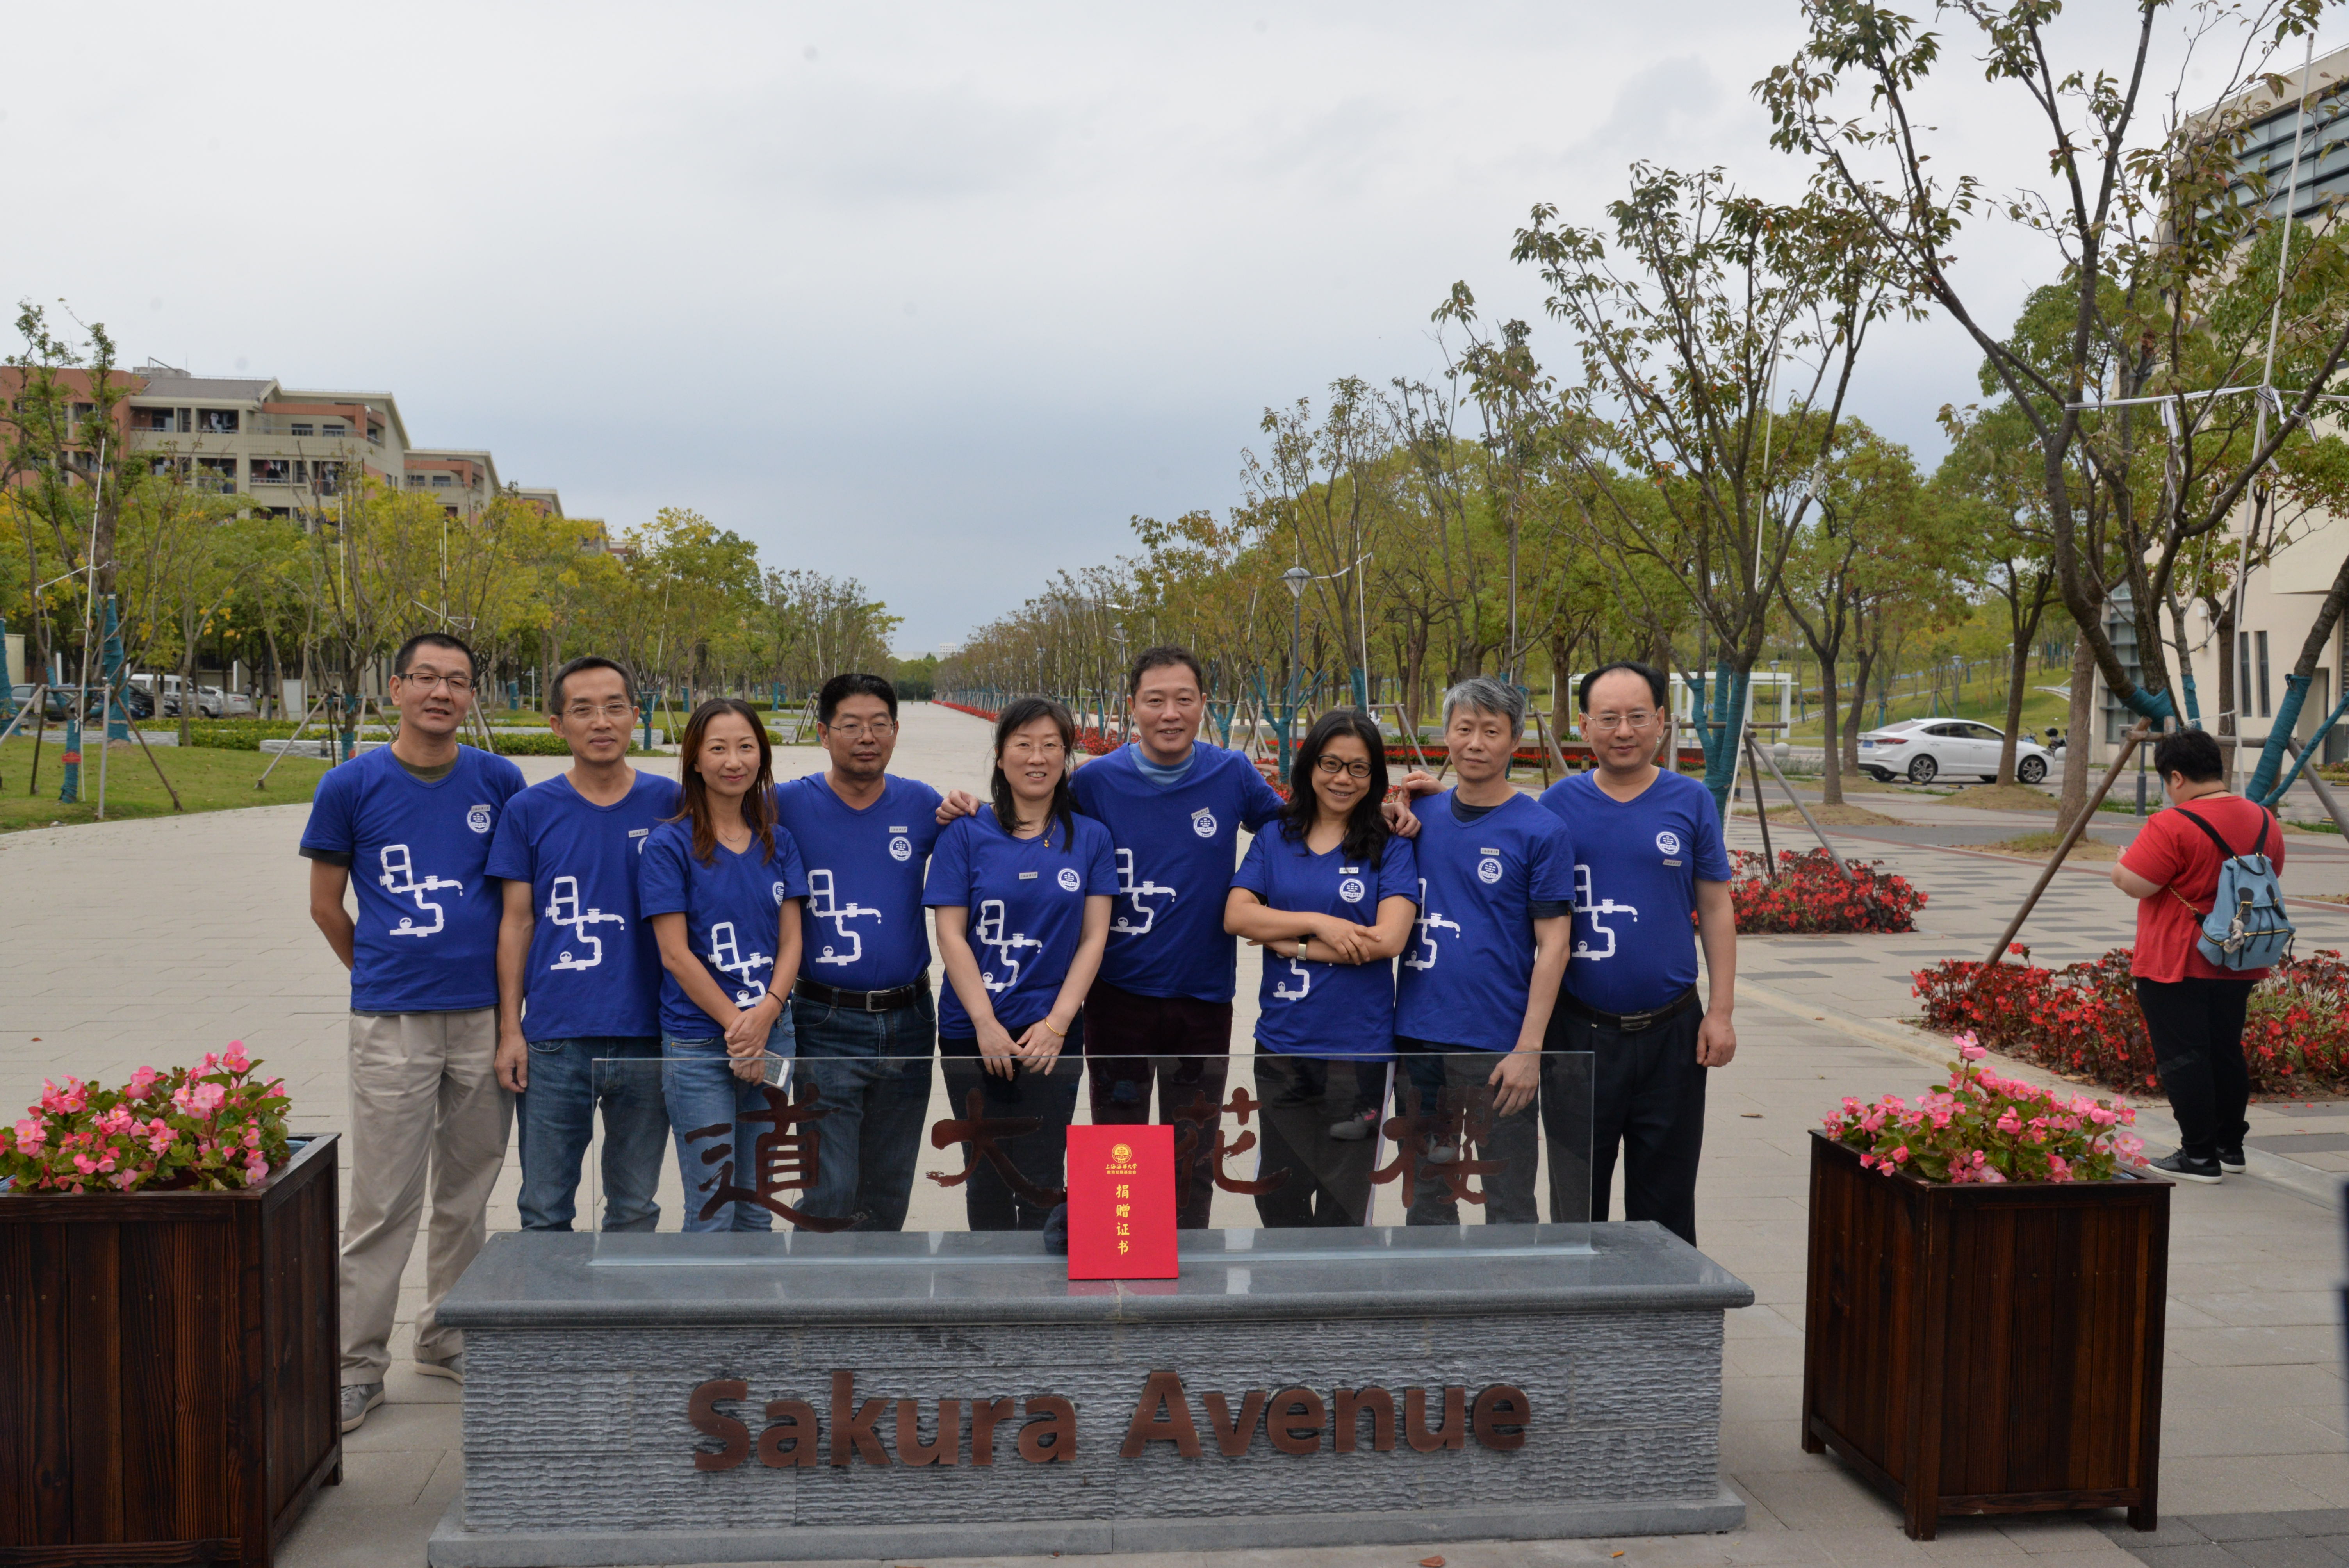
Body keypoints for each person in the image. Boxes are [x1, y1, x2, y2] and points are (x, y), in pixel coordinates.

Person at [299, 632, 525, 1434]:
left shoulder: (497, 780)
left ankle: (446, 1334)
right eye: (425, 677)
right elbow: (326, 904)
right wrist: (379, 970)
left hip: (483, 1018)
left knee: (467, 1191)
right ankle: (357, 1363)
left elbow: (517, 901)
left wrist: (511, 1018)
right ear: (394, 688)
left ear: (472, 696)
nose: (441, 692)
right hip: (393, 1019)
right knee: (383, 1199)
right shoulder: (350, 784)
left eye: (457, 681)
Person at [1068, 645, 1289, 1228]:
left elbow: (1297, 834)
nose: (1170, 713)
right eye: (1155, 700)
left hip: (1204, 999)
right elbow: (1030, 826)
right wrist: (965, 811)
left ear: (1204, 704)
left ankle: (1189, 1264)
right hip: (1116, 998)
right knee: (1119, 1149)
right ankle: (1120, 1258)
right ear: (1132, 706)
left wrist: (1384, 815)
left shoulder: (1232, 773)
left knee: (1191, 1150)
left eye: (1184, 699)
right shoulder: (1093, 782)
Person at [1538, 661, 1736, 1247]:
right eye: (1608, 718)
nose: (1623, 731)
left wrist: (1720, 1012)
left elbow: (1716, 908)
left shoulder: (1691, 800)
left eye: (1637, 716)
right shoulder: (1556, 804)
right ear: (1584, 725)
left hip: (1673, 1036)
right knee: (1577, 1209)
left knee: (1666, 1208)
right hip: (1576, 1034)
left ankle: (1666, 1308)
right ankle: (1579, 1306)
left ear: (1662, 721)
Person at [488, 656, 680, 1234]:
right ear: (557, 725)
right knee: (544, 1207)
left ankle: (624, 1299)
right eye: (583, 710)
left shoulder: (673, 803)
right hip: (555, 1041)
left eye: (614, 707)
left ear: (636, 716)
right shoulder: (529, 810)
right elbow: (516, 923)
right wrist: (511, 1029)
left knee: (635, 1207)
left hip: (650, 1035)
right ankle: (550, 1301)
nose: (601, 722)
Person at [772, 672, 955, 1231]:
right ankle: (822, 1288)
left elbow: (985, 850)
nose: (867, 737)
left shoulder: (921, 803)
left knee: (888, 1187)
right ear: (823, 733)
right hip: (824, 1020)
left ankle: (878, 1288)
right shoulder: (784, 804)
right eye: (851, 725)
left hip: (910, 1019)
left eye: (879, 724)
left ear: (896, 730)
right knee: (828, 1188)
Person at [925, 697, 1116, 1229]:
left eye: (1051, 745)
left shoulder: (1091, 838)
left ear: (1066, 755)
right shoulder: (965, 832)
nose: (1037, 757)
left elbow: (1094, 938)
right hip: (971, 1030)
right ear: (1000, 754)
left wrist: (1057, 1025)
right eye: (1024, 745)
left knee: (1042, 1173)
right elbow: (950, 934)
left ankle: (1040, 1279)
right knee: (984, 1172)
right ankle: (991, 1281)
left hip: (1049, 1034)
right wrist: (984, 1023)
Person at [1391, 677, 1575, 1225]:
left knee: (1508, 1197)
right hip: (1418, 1037)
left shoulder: (1541, 830)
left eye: (1491, 731)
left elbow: (1555, 944)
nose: (1475, 743)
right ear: (1445, 734)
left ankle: (1511, 1285)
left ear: (1515, 740)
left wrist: (1529, 1049)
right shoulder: (1418, 817)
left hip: (1497, 1045)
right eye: (1464, 728)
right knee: (1427, 1194)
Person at [1225, 709, 1418, 1227]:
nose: (1342, 779)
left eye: (1358, 768)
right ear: (1310, 765)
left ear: (1374, 776)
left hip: (1359, 1051)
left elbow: (1388, 939)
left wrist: (1295, 945)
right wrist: (1321, 924)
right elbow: (1237, 915)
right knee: (1278, 1193)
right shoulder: (1275, 837)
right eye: (1331, 763)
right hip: (1283, 1045)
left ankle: (1337, 1287)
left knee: (1344, 1201)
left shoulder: (1391, 844)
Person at [639, 698, 805, 1231]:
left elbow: (792, 941)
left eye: (746, 747)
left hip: (773, 1034)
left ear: (762, 756)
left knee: (759, 1203)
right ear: (694, 759)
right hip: (699, 1043)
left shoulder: (779, 841)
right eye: (718, 748)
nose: (733, 761)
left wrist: (766, 1016)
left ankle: (754, 1294)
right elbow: (674, 953)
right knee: (714, 1204)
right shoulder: (668, 845)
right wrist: (740, 1030)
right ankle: (706, 1294)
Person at [2112, 727, 2287, 1183]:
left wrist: (2120, 864)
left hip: (2177, 959)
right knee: (2226, 1050)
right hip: (2240, 955)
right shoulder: (2264, 820)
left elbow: (2137, 883)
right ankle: (2229, 1147)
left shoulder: (2171, 823)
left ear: (2176, 777)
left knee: (2184, 1056)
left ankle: (2198, 1155)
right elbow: (2269, 875)